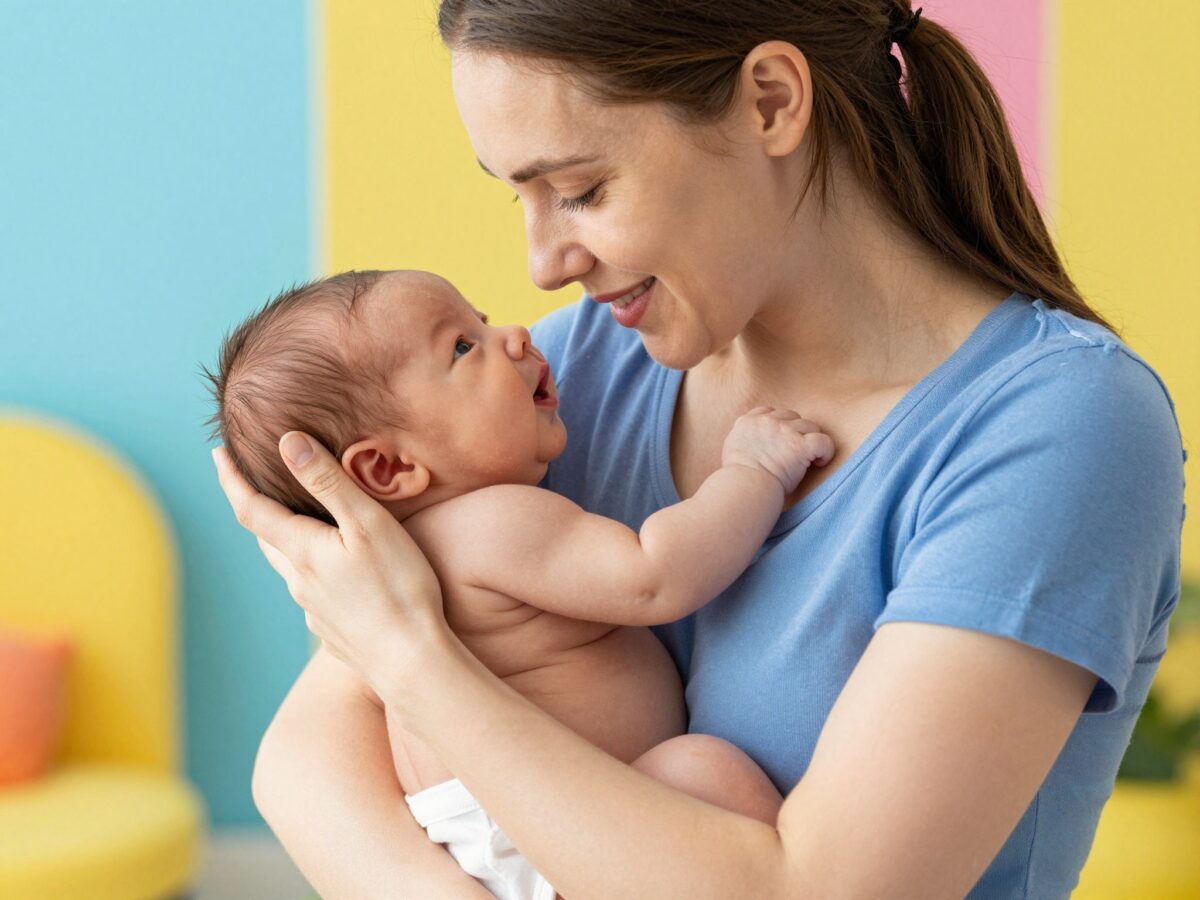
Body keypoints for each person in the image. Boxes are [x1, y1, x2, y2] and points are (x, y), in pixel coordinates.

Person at [214, 2, 1186, 897]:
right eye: (522, 196)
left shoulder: (1056, 430)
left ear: (770, 102)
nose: (543, 264)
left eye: (583, 189)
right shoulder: (566, 379)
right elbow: (304, 760)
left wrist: (413, 660)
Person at [208, 268, 829, 897]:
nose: (513, 337)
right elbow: (655, 576)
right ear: (390, 467)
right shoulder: (490, 525)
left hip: (491, 830)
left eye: (479, 318)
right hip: (542, 831)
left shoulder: (403, 560)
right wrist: (754, 471)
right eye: (461, 347)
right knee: (706, 776)